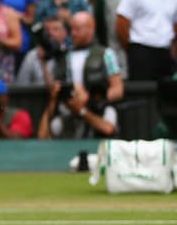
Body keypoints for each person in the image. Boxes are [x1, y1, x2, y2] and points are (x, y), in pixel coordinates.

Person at [38, 12, 122, 140]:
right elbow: (54, 85)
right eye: (72, 29)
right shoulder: (65, 56)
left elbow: (118, 89)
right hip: (70, 110)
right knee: (55, 127)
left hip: (99, 110)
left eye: (78, 29)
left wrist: (89, 100)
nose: (73, 33)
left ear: (91, 28)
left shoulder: (106, 54)